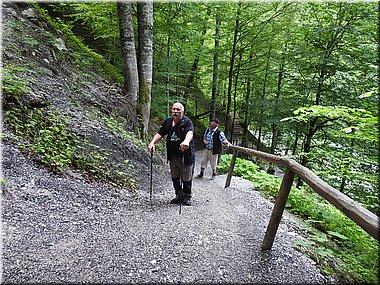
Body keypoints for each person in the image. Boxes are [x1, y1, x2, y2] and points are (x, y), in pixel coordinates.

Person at [148, 102, 195, 206]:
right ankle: (179, 195)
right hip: (173, 155)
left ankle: (187, 196)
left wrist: (186, 141)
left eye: (178, 110)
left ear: (182, 111)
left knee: (186, 177)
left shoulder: (187, 122)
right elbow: (160, 133)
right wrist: (152, 143)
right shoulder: (168, 121)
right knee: (175, 177)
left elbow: (190, 133)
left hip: (185, 155)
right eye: (174, 109)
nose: (175, 111)